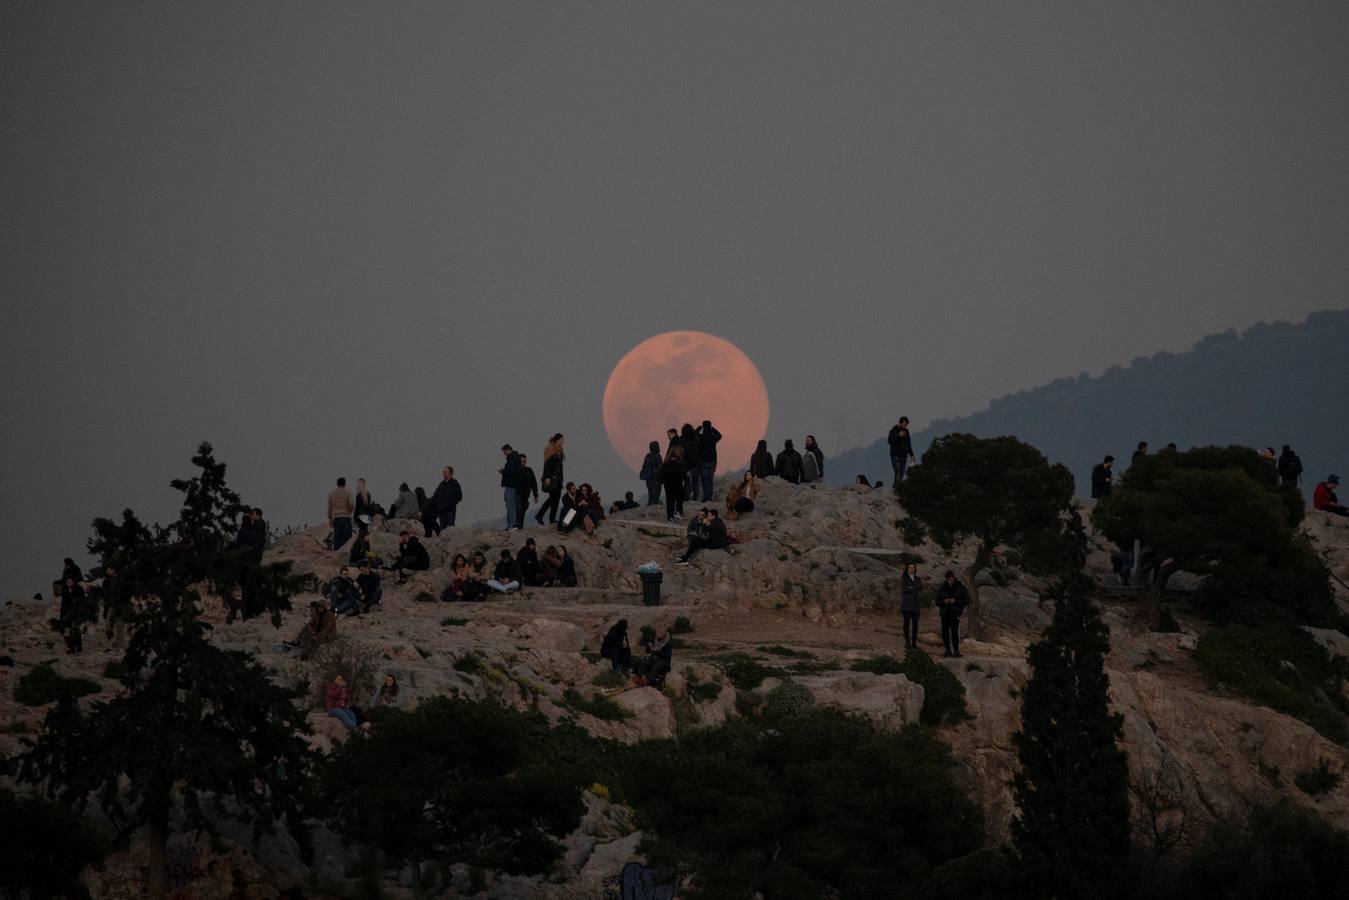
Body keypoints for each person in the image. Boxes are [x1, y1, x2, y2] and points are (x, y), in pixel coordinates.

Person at [936, 570, 969, 658]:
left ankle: (956, 651)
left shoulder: (960, 588)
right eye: (948, 578)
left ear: (954, 577)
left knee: (955, 632)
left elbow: (966, 600)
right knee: (945, 632)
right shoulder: (942, 588)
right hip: (945, 613)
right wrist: (944, 601)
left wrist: (955, 601)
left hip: (955, 613)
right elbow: (937, 601)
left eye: (951, 578)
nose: (949, 580)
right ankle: (947, 650)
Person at [536, 434, 566, 525]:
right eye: (561, 439)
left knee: (556, 499)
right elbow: (547, 465)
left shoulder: (560, 450)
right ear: (556, 440)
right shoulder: (550, 449)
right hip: (551, 479)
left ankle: (551, 518)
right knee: (553, 499)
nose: (562, 441)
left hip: (558, 479)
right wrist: (547, 477)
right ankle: (541, 515)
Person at [100, 564, 132, 650]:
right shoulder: (108, 580)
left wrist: (119, 599)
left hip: (121, 605)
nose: (107, 571)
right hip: (111, 604)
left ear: (113, 570)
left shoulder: (121, 580)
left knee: (119, 624)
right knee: (108, 625)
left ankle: (120, 645)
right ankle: (111, 644)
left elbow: (126, 592)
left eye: (108, 569)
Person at [58, 575, 87, 654]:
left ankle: (78, 648)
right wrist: (62, 615)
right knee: (67, 631)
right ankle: (72, 648)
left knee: (75, 629)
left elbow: (82, 602)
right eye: (67, 582)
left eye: (70, 582)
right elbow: (63, 604)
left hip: (77, 613)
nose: (68, 583)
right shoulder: (65, 590)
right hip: (67, 614)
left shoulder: (78, 589)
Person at [697, 420, 722, 502]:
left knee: (704, 481)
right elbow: (720, 435)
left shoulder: (701, 437)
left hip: (703, 461)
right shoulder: (713, 437)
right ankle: (709, 498)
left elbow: (693, 435)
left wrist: (698, 429)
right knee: (710, 481)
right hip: (712, 461)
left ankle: (706, 498)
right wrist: (712, 428)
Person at [499, 444, 523, 530]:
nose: (504, 453)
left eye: (504, 451)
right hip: (513, 485)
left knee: (510, 505)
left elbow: (511, 471)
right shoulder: (515, 457)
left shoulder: (512, 458)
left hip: (510, 484)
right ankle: (511, 524)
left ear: (508, 450)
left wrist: (503, 471)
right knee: (511, 505)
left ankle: (512, 525)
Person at [899, 563, 923, 650]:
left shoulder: (918, 578)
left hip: (916, 605)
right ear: (907, 569)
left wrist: (911, 588)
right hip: (907, 604)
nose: (912, 569)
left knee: (915, 624)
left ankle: (914, 642)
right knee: (906, 623)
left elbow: (921, 588)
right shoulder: (904, 578)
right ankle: (907, 641)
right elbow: (905, 589)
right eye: (910, 567)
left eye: (913, 568)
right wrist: (914, 588)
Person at [327, 477, 355, 551]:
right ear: (344, 484)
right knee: (347, 542)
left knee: (337, 541)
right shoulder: (348, 493)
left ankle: (337, 558)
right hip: (346, 518)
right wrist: (350, 510)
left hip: (336, 519)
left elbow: (329, 509)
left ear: (337, 484)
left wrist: (330, 518)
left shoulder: (332, 494)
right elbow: (352, 504)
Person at [660, 447, 687, 522]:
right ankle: (678, 513)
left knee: (669, 501)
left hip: (668, 484)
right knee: (679, 499)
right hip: (677, 484)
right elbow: (683, 474)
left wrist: (663, 481)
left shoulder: (666, 462)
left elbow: (662, 473)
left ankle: (670, 517)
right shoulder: (680, 463)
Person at [432, 466, 463, 531]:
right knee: (442, 530)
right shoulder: (441, 484)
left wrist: (451, 503)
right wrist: (438, 505)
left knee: (450, 530)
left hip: (450, 511)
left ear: (450, 473)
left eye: (445, 472)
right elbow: (435, 495)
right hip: (441, 511)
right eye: (443, 472)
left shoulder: (455, 484)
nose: (443, 474)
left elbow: (459, 496)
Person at [887, 417, 915, 486]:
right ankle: (897, 489)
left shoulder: (906, 431)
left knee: (902, 473)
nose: (905, 426)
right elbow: (890, 441)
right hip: (895, 455)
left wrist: (912, 455)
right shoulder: (894, 430)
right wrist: (898, 435)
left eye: (906, 425)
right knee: (898, 472)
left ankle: (895, 487)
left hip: (904, 456)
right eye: (904, 424)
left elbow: (908, 444)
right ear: (900, 423)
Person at [516, 453, 540, 529]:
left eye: (524, 461)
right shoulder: (515, 470)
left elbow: (533, 483)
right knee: (518, 509)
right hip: (517, 494)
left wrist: (535, 494)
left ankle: (520, 527)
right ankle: (517, 526)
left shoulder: (529, 470)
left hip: (526, 495)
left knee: (523, 510)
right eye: (521, 461)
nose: (523, 463)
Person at [640, 441, 664, 506]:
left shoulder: (648, 456)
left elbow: (644, 467)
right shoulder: (658, 456)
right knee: (656, 495)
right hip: (656, 478)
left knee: (650, 494)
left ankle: (650, 505)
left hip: (648, 478)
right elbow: (660, 467)